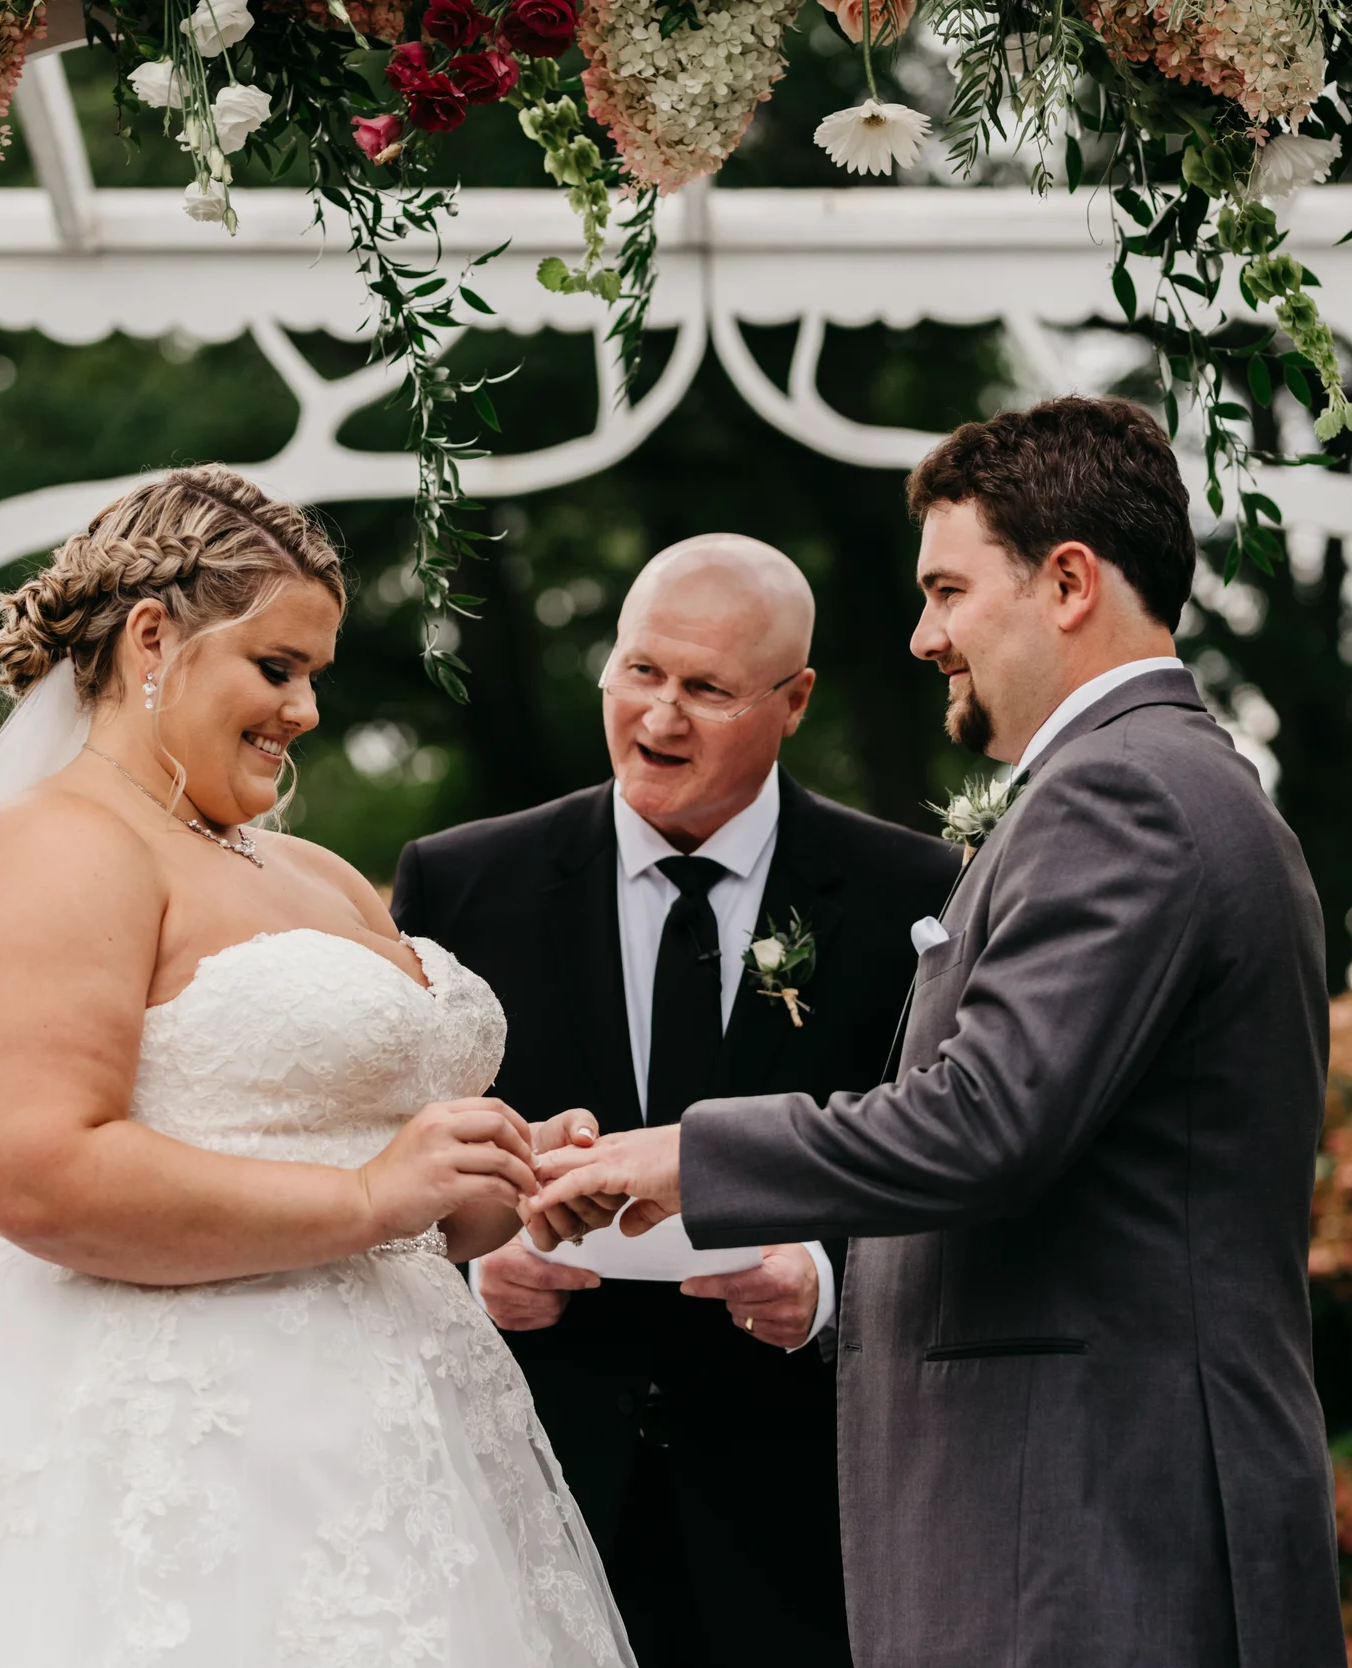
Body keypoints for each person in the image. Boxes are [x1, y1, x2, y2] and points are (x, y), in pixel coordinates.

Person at [0, 467, 635, 1668]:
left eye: (315, 675)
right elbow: (43, 1176)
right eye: (276, 669)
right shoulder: (54, 851)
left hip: (404, 1463)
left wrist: (502, 1177)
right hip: (161, 1468)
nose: (306, 712)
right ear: (153, 637)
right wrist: (374, 1195)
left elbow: (393, 1188)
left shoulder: (314, 873)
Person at [526, 400, 1346, 1668]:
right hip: (1074, 1505)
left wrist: (682, 1154)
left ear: (1067, 581)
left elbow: (985, 1121)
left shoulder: (1121, 793)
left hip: (1082, 1517)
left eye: (949, 590)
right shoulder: (1157, 782)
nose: (924, 637)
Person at [391, 536, 959, 1668]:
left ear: (793, 701)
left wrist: (828, 1282)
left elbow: (951, 1159)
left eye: (706, 689)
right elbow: (388, 1163)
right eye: (640, 671)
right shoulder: (459, 883)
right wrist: (467, 1270)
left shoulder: (916, 894)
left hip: (800, 1511)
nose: (660, 716)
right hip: (532, 1495)